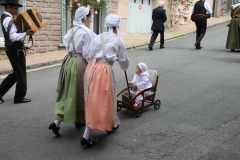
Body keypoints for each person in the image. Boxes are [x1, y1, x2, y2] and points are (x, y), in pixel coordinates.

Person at [81, 14, 129, 147]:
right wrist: (122, 65)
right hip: (103, 71)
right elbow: (124, 60)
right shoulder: (118, 40)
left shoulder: (98, 37)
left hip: (91, 67)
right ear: (117, 26)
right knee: (102, 100)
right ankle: (86, 135)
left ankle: (110, 123)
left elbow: (89, 54)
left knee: (94, 99)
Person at [48, 6, 97, 137]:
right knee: (79, 92)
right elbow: (87, 53)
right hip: (78, 63)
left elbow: (67, 45)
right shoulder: (86, 33)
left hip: (68, 61)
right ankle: (62, 121)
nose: (91, 19)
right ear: (84, 18)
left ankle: (73, 120)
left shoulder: (72, 30)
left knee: (69, 92)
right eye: (90, 17)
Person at [0, 0, 35, 104]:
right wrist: (25, 34)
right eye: (15, 8)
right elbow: (12, 36)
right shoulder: (8, 19)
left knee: (16, 74)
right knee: (20, 73)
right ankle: (19, 97)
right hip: (15, 50)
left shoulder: (6, 17)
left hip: (13, 49)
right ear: (9, 7)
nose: (17, 10)